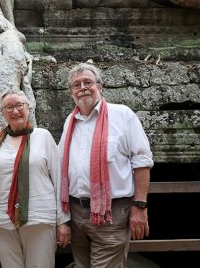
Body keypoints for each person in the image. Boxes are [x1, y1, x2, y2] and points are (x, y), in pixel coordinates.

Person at [58, 62, 154, 267]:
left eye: (88, 82)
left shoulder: (122, 115)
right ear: (70, 93)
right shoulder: (70, 121)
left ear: (100, 87)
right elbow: (60, 165)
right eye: (76, 85)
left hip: (112, 215)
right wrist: (63, 218)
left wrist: (140, 206)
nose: (82, 88)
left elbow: (142, 161)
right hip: (77, 215)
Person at [0, 90, 71, 268]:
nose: (15, 111)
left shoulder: (43, 137)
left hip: (39, 219)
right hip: (3, 222)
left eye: (19, 105)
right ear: (3, 113)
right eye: (9, 107)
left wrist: (63, 221)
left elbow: (60, 181)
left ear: (28, 108)